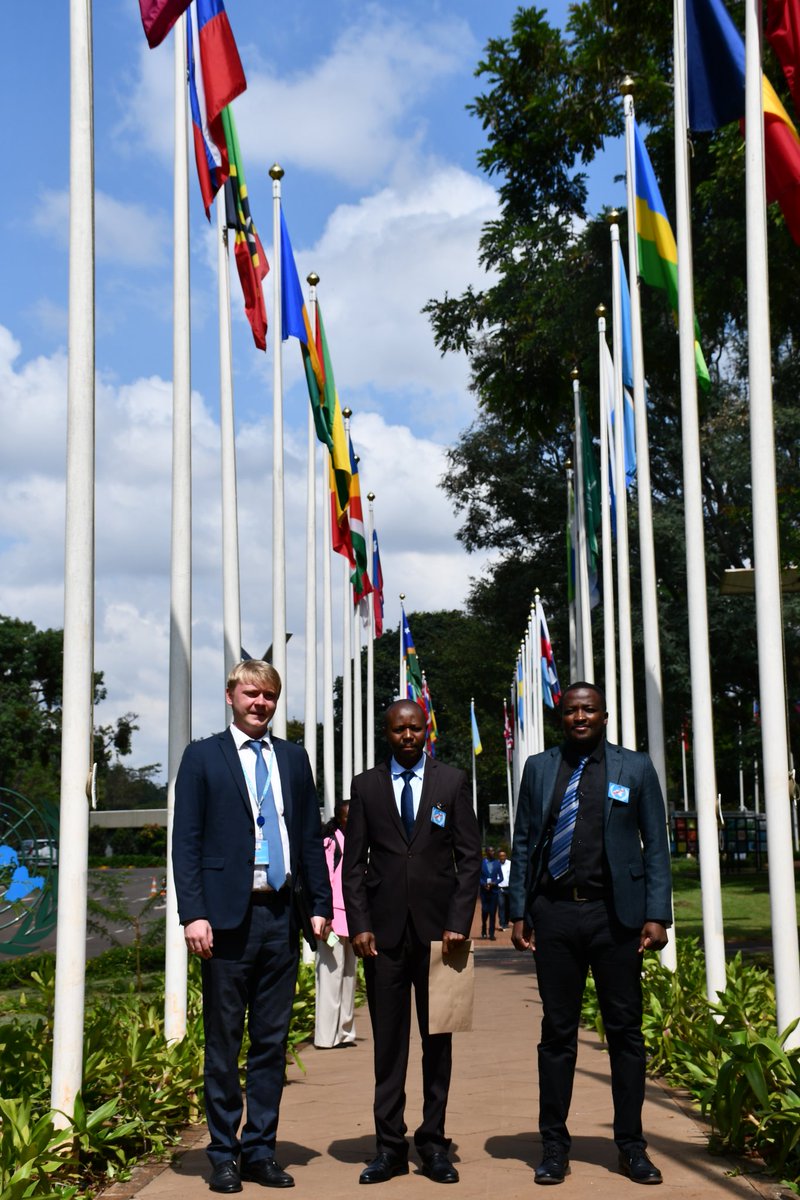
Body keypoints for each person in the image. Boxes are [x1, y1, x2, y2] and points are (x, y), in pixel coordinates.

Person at [173, 660, 332, 1193]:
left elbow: (310, 837)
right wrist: (192, 913)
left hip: (282, 916)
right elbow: (186, 841)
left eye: (268, 695)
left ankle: (261, 1150)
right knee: (223, 1042)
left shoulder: (292, 758)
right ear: (230, 696)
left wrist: (320, 903)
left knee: (270, 1040)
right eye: (250, 693)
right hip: (224, 921)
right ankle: (223, 1153)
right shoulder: (202, 757)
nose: (259, 702)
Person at [509, 682, 671, 1187]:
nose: (580, 717)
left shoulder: (634, 767)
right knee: (557, 1034)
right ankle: (554, 1146)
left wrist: (656, 914)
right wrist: (519, 909)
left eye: (589, 710)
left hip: (614, 918)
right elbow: (524, 841)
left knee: (625, 1033)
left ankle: (631, 1147)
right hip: (555, 915)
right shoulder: (538, 768)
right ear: (562, 716)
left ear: (604, 715)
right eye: (571, 710)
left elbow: (655, 845)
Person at [343, 699, 481, 1186]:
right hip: (381, 938)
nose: (408, 736)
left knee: (437, 1041)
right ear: (387, 732)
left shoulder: (452, 782)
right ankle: (389, 1147)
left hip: (443, 938)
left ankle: (434, 1142)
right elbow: (352, 865)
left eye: (416, 728)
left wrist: (459, 919)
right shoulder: (366, 787)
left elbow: (470, 856)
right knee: (390, 1046)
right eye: (399, 729)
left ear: (427, 731)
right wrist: (358, 924)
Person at [314, 801, 357, 1049]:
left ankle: (345, 1032)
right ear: (339, 819)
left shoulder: (359, 843)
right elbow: (325, 881)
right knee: (330, 976)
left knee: (349, 975)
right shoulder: (330, 843)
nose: (351, 821)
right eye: (347, 817)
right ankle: (326, 1036)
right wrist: (326, 917)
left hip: (353, 920)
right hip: (333, 920)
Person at [479, 847, 503, 939]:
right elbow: (478, 876)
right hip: (484, 892)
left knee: (493, 913)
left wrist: (494, 883)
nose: (493, 852)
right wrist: (483, 883)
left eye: (493, 850)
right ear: (486, 852)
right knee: (485, 911)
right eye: (491, 851)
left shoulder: (497, 863)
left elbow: (501, 877)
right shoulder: (482, 863)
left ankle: (492, 933)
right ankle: (484, 929)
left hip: (494, 892)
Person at [497, 849, 511, 930]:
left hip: (509, 888)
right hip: (500, 889)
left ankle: (506, 922)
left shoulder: (510, 864)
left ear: (506, 856)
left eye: (503, 856)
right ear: (499, 857)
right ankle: (502, 924)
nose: (502, 857)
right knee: (501, 905)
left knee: (508, 906)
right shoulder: (496, 864)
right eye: (500, 856)